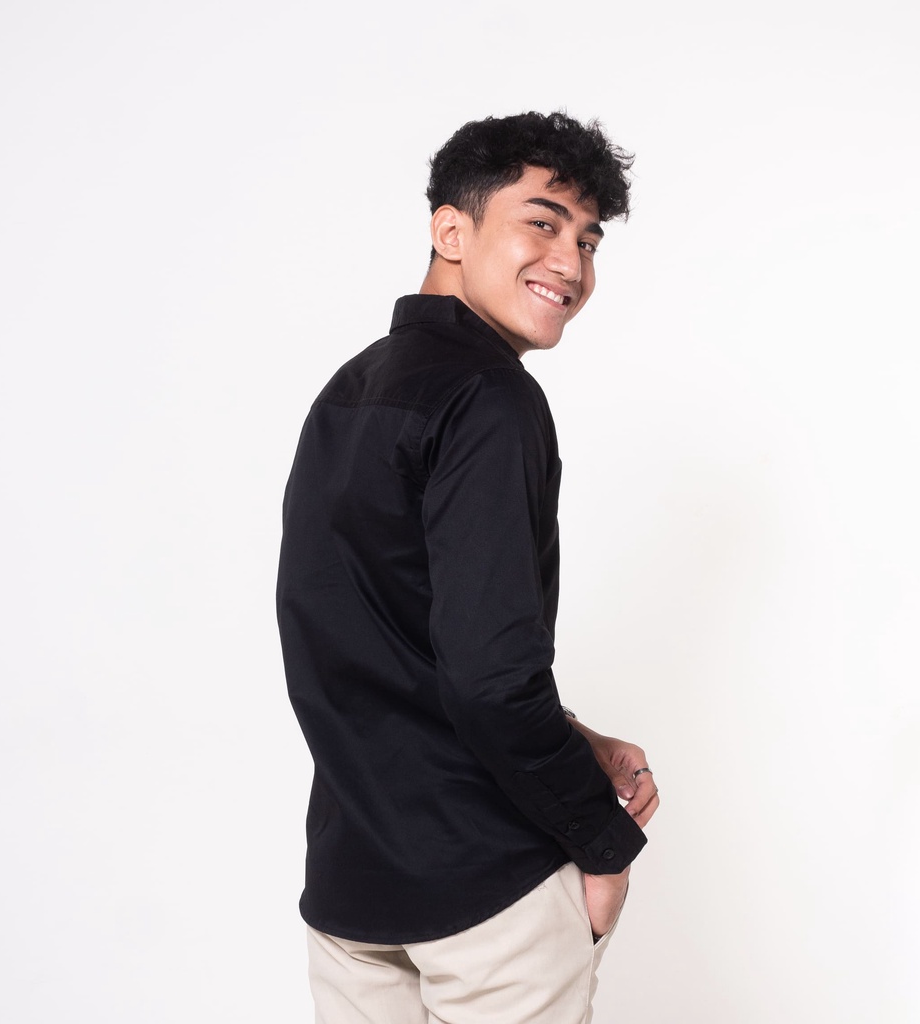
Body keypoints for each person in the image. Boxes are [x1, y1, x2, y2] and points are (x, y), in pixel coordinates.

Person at [276, 110, 659, 1024]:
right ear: (451, 230)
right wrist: (603, 846)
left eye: (588, 239)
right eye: (542, 222)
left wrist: (568, 734)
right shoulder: (490, 398)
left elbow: (378, 640)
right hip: (487, 892)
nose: (572, 264)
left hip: (352, 886)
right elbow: (488, 677)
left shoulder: (349, 389)